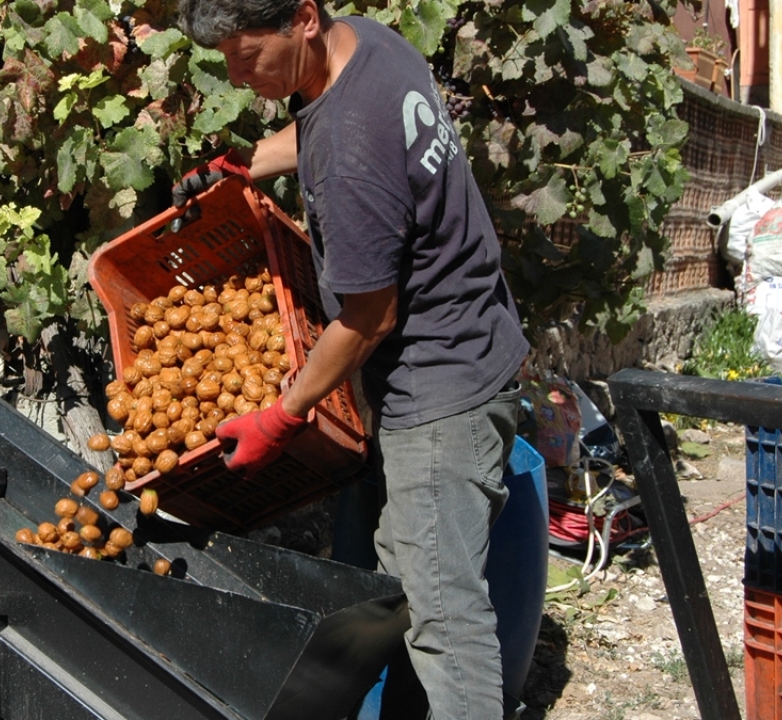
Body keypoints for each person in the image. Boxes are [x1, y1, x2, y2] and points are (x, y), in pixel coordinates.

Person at [172, 1, 531, 717]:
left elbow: (370, 317)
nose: (238, 76)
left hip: (438, 391)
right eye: (225, 60)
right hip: (481, 337)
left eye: (248, 56)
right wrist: (245, 165)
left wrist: (282, 414)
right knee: (409, 580)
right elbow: (321, 133)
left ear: (301, 18)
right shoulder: (366, 46)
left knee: (447, 624)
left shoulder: (349, 155)